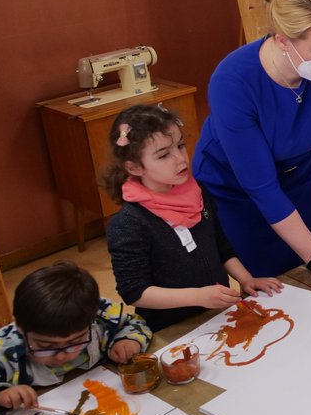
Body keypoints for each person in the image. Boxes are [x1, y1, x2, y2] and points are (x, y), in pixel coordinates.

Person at [193, 0, 311, 292]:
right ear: (282, 41)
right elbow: (260, 186)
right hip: (235, 190)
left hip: (298, 176)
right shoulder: (233, 80)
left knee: (297, 274)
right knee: (264, 283)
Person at [104, 104, 283, 332]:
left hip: (218, 315)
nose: (181, 159)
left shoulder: (197, 191)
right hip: (171, 329)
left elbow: (220, 245)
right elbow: (135, 291)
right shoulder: (129, 223)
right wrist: (198, 296)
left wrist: (246, 279)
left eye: (180, 145)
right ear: (135, 167)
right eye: (164, 155)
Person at [0, 262, 152, 415]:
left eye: (75, 341)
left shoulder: (102, 320)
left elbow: (134, 323)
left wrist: (128, 340)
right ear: (21, 329)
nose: (62, 355)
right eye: (45, 346)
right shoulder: (2, 354)